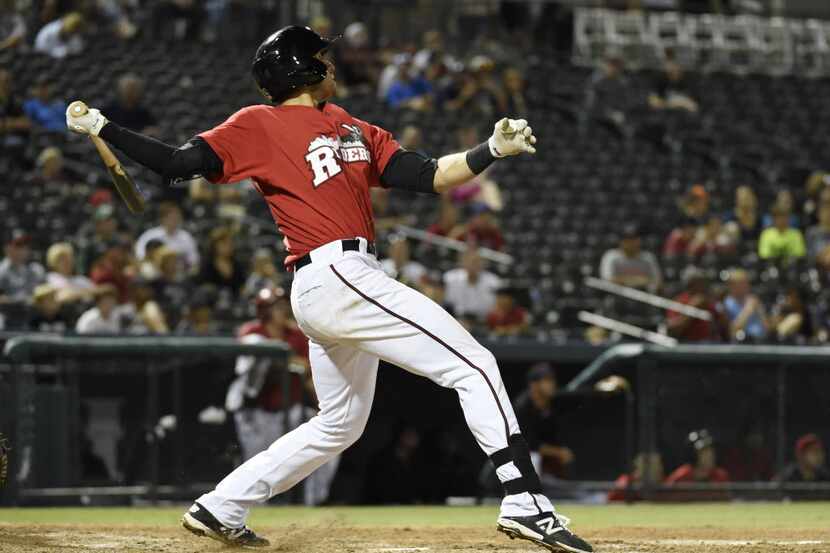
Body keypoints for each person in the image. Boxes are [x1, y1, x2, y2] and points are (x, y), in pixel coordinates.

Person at [66, 25, 590, 552]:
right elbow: (176, 165)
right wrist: (105, 126)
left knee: (341, 423)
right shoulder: (259, 123)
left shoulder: (350, 125)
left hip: (335, 285)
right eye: (323, 57)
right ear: (301, 69)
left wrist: (492, 149)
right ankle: (526, 502)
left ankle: (222, 505)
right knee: (474, 365)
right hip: (336, 275)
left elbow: (429, 174)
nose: (332, 64)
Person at [225, 288, 337, 506]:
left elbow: (306, 369)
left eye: (283, 305)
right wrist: (284, 359)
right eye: (276, 306)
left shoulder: (295, 334)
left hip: (289, 412)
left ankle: (312, 502)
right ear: (264, 310)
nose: (282, 310)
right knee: (256, 463)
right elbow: (249, 351)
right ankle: (249, 508)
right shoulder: (252, 331)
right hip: (255, 412)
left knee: (321, 450)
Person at [513, 364, 574, 480]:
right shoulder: (522, 406)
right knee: (533, 456)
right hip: (516, 461)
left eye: (552, 380)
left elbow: (553, 437)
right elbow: (527, 443)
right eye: (547, 380)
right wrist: (557, 452)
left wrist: (559, 452)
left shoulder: (552, 405)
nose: (552, 384)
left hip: (542, 462)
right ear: (534, 385)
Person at [134, 202, 200, 273]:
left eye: (177, 216)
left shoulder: (186, 237)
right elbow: (140, 257)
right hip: (155, 273)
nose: (175, 219)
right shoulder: (150, 235)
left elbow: (194, 260)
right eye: (171, 217)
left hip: (180, 273)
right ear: (162, 218)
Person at [665, 267, 725, 342]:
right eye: (700, 282)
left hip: (710, 344)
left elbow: (724, 327)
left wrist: (720, 306)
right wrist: (692, 309)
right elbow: (671, 330)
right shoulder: (680, 301)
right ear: (690, 284)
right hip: (687, 345)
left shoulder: (709, 300)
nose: (705, 286)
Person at [443, 248, 502, 324]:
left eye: (477, 262)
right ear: (463, 263)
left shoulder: (493, 282)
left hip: (484, 321)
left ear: (483, 264)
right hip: (457, 320)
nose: (473, 265)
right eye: (469, 261)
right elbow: (447, 303)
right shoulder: (451, 278)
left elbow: (497, 307)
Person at [599, 224, 662, 293]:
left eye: (633, 239)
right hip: (617, 295)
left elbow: (657, 282)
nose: (630, 243)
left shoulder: (648, 257)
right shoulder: (610, 256)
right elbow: (607, 280)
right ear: (621, 241)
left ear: (639, 240)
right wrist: (640, 280)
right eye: (627, 239)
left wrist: (623, 280)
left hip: (644, 296)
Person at [665, 430, 729, 484]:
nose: (709, 456)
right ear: (693, 455)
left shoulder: (720, 476)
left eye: (711, 451)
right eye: (704, 452)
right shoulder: (680, 477)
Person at [721, 269, 768, 342]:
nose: (746, 286)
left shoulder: (753, 300)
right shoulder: (727, 303)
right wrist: (748, 309)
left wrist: (760, 310)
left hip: (760, 341)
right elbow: (732, 330)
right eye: (741, 283)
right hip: (741, 342)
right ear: (732, 285)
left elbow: (766, 326)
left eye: (746, 283)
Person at [0, 233, 45, 303]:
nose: (23, 249)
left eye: (25, 245)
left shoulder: (35, 269)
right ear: (7, 248)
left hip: (33, 311)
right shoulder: (2, 271)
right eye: (18, 245)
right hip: (9, 311)